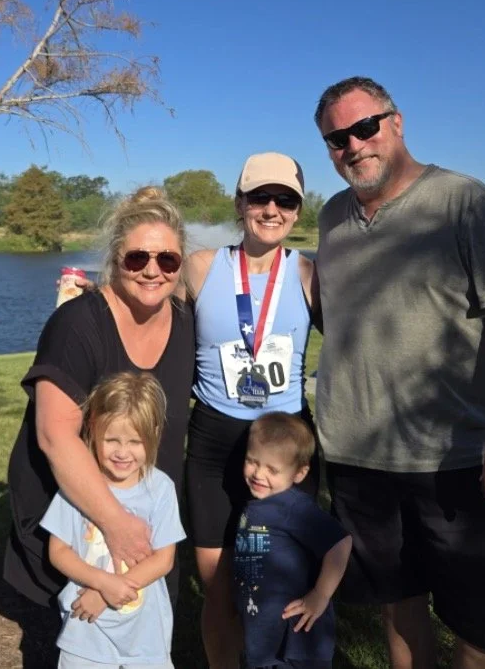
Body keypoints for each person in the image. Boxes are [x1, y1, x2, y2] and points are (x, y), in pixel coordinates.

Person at [311, 76, 485, 669]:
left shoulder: (464, 202)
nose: (353, 145)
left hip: (452, 461)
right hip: (357, 459)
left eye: (364, 127)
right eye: (337, 138)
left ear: (396, 123)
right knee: (398, 606)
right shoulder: (332, 217)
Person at [4, 188, 195, 625]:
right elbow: (54, 436)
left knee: (147, 632)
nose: (152, 270)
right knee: (82, 638)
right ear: (115, 258)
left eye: (168, 260)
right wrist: (116, 523)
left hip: (147, 523)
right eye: (137, 258)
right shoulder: (76, 324)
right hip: (80, 518)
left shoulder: (186, 322)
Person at [184, 152, 321, 669]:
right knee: (218, 586)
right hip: (214, 443)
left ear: (298, 210)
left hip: (284, 445)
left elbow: (364, 337)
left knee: (280, 583)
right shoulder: (201, 267)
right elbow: (146, 312)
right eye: (260, 197)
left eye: (285, 200)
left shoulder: (308, 273)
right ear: (240, 202)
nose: (272, 209)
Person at [42, 371, 186, 668]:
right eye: (111, 440)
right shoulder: (78, 487)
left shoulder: (160, 488)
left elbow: (164, 559)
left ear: (154, 433)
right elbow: (58, 551)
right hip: (85, 626)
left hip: (145, 636)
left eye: (135, 441)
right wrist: (102, 584)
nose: (122, 452)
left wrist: (107, 593)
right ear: (93, 428)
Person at [233, 413, 352, 669]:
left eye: (272, 469)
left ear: (300, 473)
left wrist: (320, 595)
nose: (258, 474)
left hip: (297, 637)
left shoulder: (294, 508)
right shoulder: (256, 504)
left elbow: (340, 543)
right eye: (252, 461)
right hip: (265, 633)